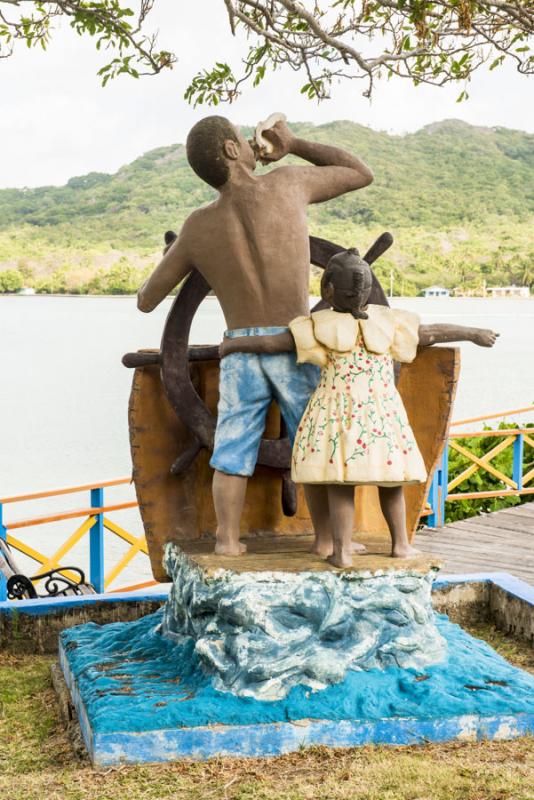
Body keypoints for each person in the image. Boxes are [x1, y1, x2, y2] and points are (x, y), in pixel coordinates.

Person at [137, 115, 374, 555]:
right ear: (230, 150)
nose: (251, 143)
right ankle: (326, 541)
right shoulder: (287, 184)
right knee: (314, 443)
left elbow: (147, 299)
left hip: (241, 350)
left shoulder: (197, 226)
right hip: (298, 342)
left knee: (231, 450)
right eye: (242, 139)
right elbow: (362, 173)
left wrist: (176, 253)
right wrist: (294, 142)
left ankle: (227, 541)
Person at [289, 248, 499, 568]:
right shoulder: (387, 322)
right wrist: (472, 333)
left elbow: (275, 343)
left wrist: (235, 343)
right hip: (381, 413)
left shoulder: (317, 325)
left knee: (338, 481)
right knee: (392, 479)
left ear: (328, 288)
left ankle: (340, 551)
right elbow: (428, 334)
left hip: (336, 413)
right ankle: (400, 545)